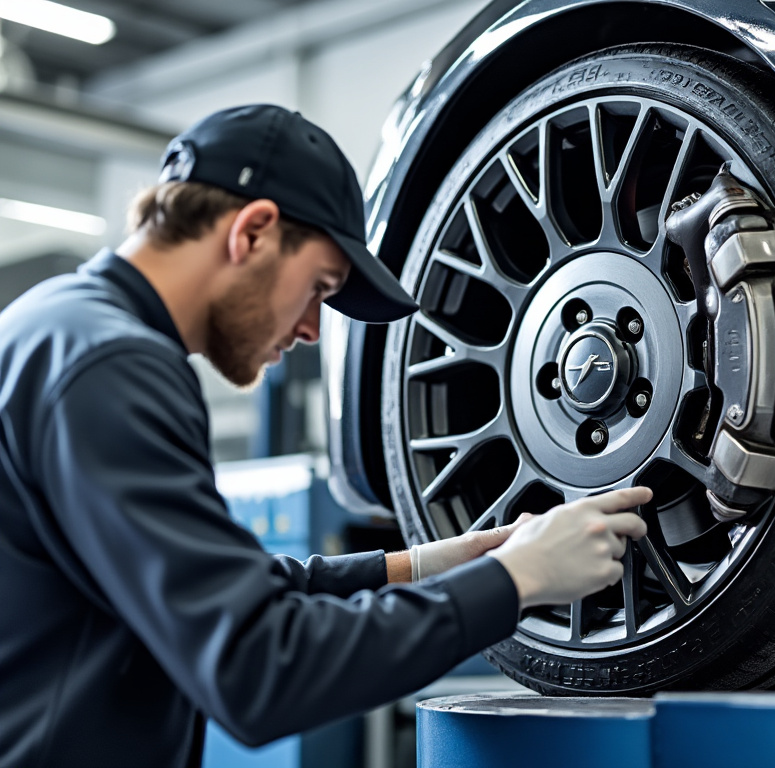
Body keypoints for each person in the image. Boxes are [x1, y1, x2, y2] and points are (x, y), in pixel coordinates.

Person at [0, 104, 650, 767]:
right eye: (319, 286)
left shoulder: (60, 332)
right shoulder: (112, 367)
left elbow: (231, 589)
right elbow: (256, 668)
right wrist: (514, 581)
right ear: (252, 232)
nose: (312, 327)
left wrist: (432, 565)